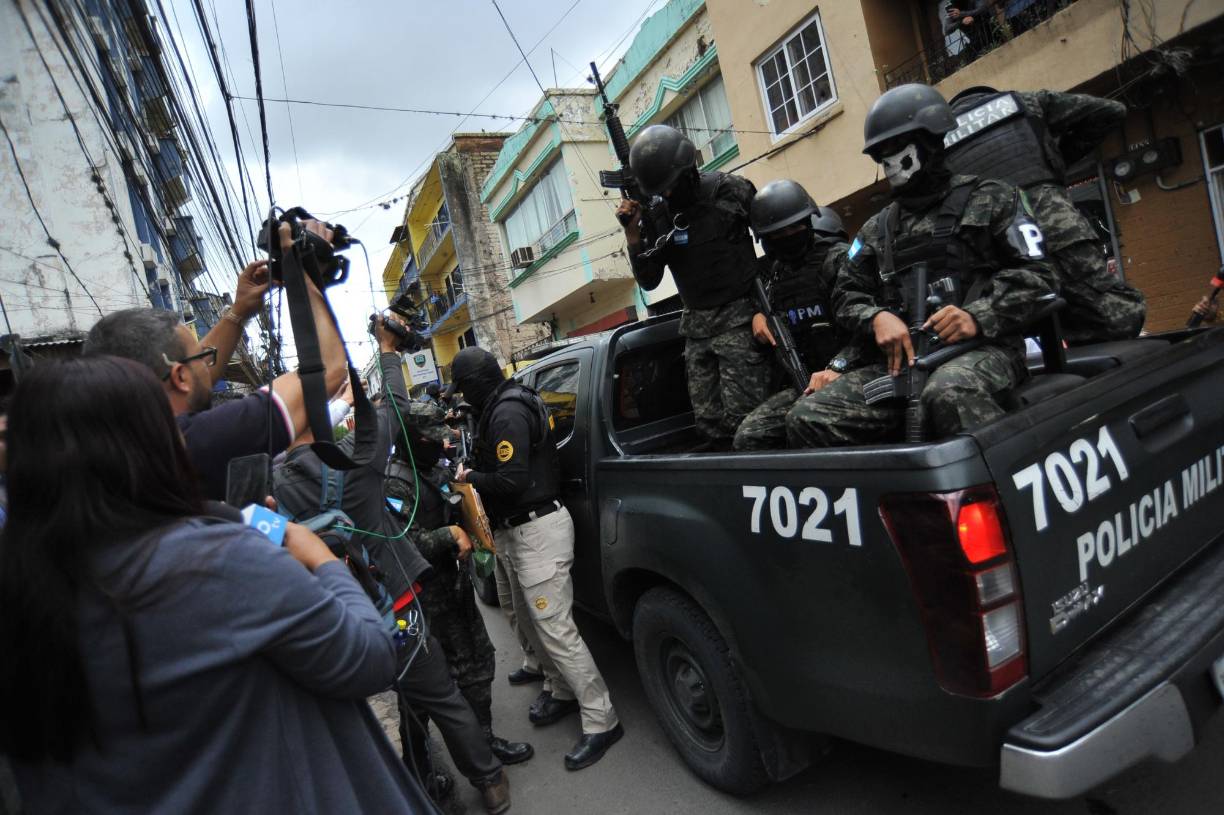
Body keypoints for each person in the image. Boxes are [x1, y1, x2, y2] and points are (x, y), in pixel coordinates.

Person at [0, 355, 434, 814]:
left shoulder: (18, 587)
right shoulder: (214, 560)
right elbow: (370, 657)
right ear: (150, 444)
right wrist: (321, 559)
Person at [273, 317, 513, 814]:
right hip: (397, 607)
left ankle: (420, 789)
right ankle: (490, 784)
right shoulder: (354, 462)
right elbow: (397, 413)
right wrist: (386, 349)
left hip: (336, 621)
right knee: (443, 698)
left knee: (395, 715)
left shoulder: (264, 486)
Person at [787, 83, 1058, 446]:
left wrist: (977, 315)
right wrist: (875, 317)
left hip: (981, 351)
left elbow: (1040, 277)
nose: (888, 162)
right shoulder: (876, 228)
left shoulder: (994, 198)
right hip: (903, 362)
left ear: (931, 142)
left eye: (895, 149)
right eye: (880, 154)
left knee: (948, 391)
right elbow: (846, 295)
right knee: (807, 416)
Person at [448, 347, 622, 770]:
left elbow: (512, 479)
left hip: (536, 531)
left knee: (556, 629)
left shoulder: (507, 412)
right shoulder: (499, 406)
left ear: (476, 385)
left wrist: (469, 478)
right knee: (522, 617)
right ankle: (560, 689)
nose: (462, 398)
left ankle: (602, 719)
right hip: (516, 531)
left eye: (464, 389)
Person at [83, 221, 348, 499]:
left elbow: (196, 373)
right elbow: (327, 370)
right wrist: (303, 273)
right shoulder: (194, 441)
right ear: (180, 377)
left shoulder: (112, 449)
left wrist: (239, 311)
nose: (208, 361)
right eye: (200, 355)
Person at [381, 345, 536, 770]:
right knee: (431, 686)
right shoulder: (397, 484)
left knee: (478, 665)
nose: (443, 441)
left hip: (454, 588)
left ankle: (484, 743)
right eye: (433, 436)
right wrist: (450, 534)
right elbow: (405, 545)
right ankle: (424, 769)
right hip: (424, 601)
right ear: (413, 440)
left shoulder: (432, 469)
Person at [945, 85, 1144, 343]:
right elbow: (1111, 111)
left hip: (1001, 246)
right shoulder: (1025, 102)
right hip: (1055, 224)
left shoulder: (939, 142)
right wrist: (1056, 161)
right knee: (1114, 313)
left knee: (1033, 323)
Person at [616, 124, 769, 451]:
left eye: (671, 186)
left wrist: (766, 310)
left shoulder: (729, 190)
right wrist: (633, 234)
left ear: (689, 168)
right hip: (697, 329)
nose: (669, 195)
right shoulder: (659, 214)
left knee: (748, 421)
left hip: (742, 318)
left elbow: (774, 243)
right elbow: (649, 279)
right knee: (710, 424)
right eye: (661, 190)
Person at [733, 180, 860, 451]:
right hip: (804, 381)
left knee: (805, 421)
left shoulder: (839, 260)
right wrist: (758, 316)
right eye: (777, 234)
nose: (788, 237)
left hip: (852, 372)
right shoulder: (775, 276)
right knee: (750, 434)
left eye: (795, 228)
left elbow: (873, 324)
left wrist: (839, 366)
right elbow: (764, 308)